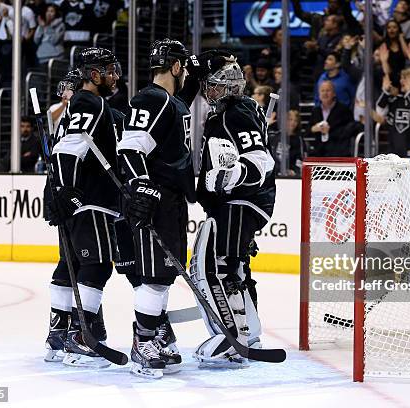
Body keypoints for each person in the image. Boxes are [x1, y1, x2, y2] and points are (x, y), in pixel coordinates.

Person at [114, 39, 201, 378]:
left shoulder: (170, 101)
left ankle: (157, 333)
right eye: (183, 67)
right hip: (157, 199)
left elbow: (178, 107)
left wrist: (199, 72)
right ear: (175, 67)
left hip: (172, 200)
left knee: (164, 275)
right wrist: (141, 186)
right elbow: (131, 148)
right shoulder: (152, 98)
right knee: (154, 277)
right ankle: (143, 341)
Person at [192, 52, 276, 367]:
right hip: (237, 201)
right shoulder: (228, 112)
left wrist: (232, 175)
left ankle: (233, 338)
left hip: (242, 200)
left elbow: (259, 160)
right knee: (235, 266)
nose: (208, 92)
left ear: (228, 85)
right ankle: (247, 331)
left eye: (212, 85)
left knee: (220, 265)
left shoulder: (236, 111)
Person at [47, 47, 122, 368]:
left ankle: (58, 334)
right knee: (98, 265)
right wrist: (65, 191)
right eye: (109, 70)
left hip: (77, 199)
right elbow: (67, 149)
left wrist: (59, 191)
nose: (115, 76)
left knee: (71, 266)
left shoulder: (85, 104)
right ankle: (81, 337)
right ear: (94, 75)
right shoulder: (89, 102)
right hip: (91, 201)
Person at [43, 70, 83, 364]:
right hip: (64, 191)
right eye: (63, 89)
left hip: (68, 188)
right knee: (74, 260)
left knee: (76, 261)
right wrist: (69, 100)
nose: (65, 94)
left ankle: (68, 329)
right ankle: (64, 330)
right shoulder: (63, 112)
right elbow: (54, 113)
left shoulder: (80, 112)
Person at [376, 68, 410, 158]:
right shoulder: (397, 99)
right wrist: (386, 92)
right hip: (395, 152)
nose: (401, 81)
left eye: (405, 78)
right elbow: (380, 111)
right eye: (401, 78)